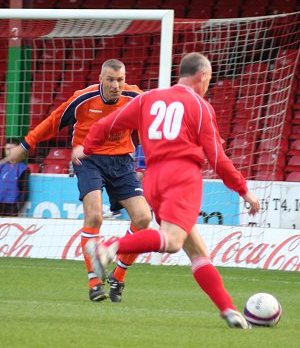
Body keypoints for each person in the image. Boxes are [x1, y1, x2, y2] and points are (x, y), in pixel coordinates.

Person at [72, 52, 260, 329]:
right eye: (208, 79)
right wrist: (244, 190)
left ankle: (229, 310)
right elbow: (217, 159)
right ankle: (108, 249)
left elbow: (105, 126)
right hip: (182, 176)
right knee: (172, 241)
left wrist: (86, 149)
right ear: (203, 76)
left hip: (154, 179)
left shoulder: (148, 98)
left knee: (197, 251)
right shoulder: (200, 106)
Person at [7, 59, 152, 303]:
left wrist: (143, 163)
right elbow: (53, 121)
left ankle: (118, 274)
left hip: (122, 162)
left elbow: (152, 125)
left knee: (143, 218)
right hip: (88, 159)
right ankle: (95, 282)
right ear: (101, 80)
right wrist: (25, 145)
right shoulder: (82, 99)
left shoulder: (136, 97)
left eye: (120, 79)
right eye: (111, 80)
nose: (116, 85)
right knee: (94, 216)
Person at [0, 137, 30, 216]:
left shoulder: (23, 168)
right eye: (7, 149)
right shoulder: (1, 165)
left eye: (12, 149)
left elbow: (24, 190)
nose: (9, 152)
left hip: (12, 206)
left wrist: (18, 206)